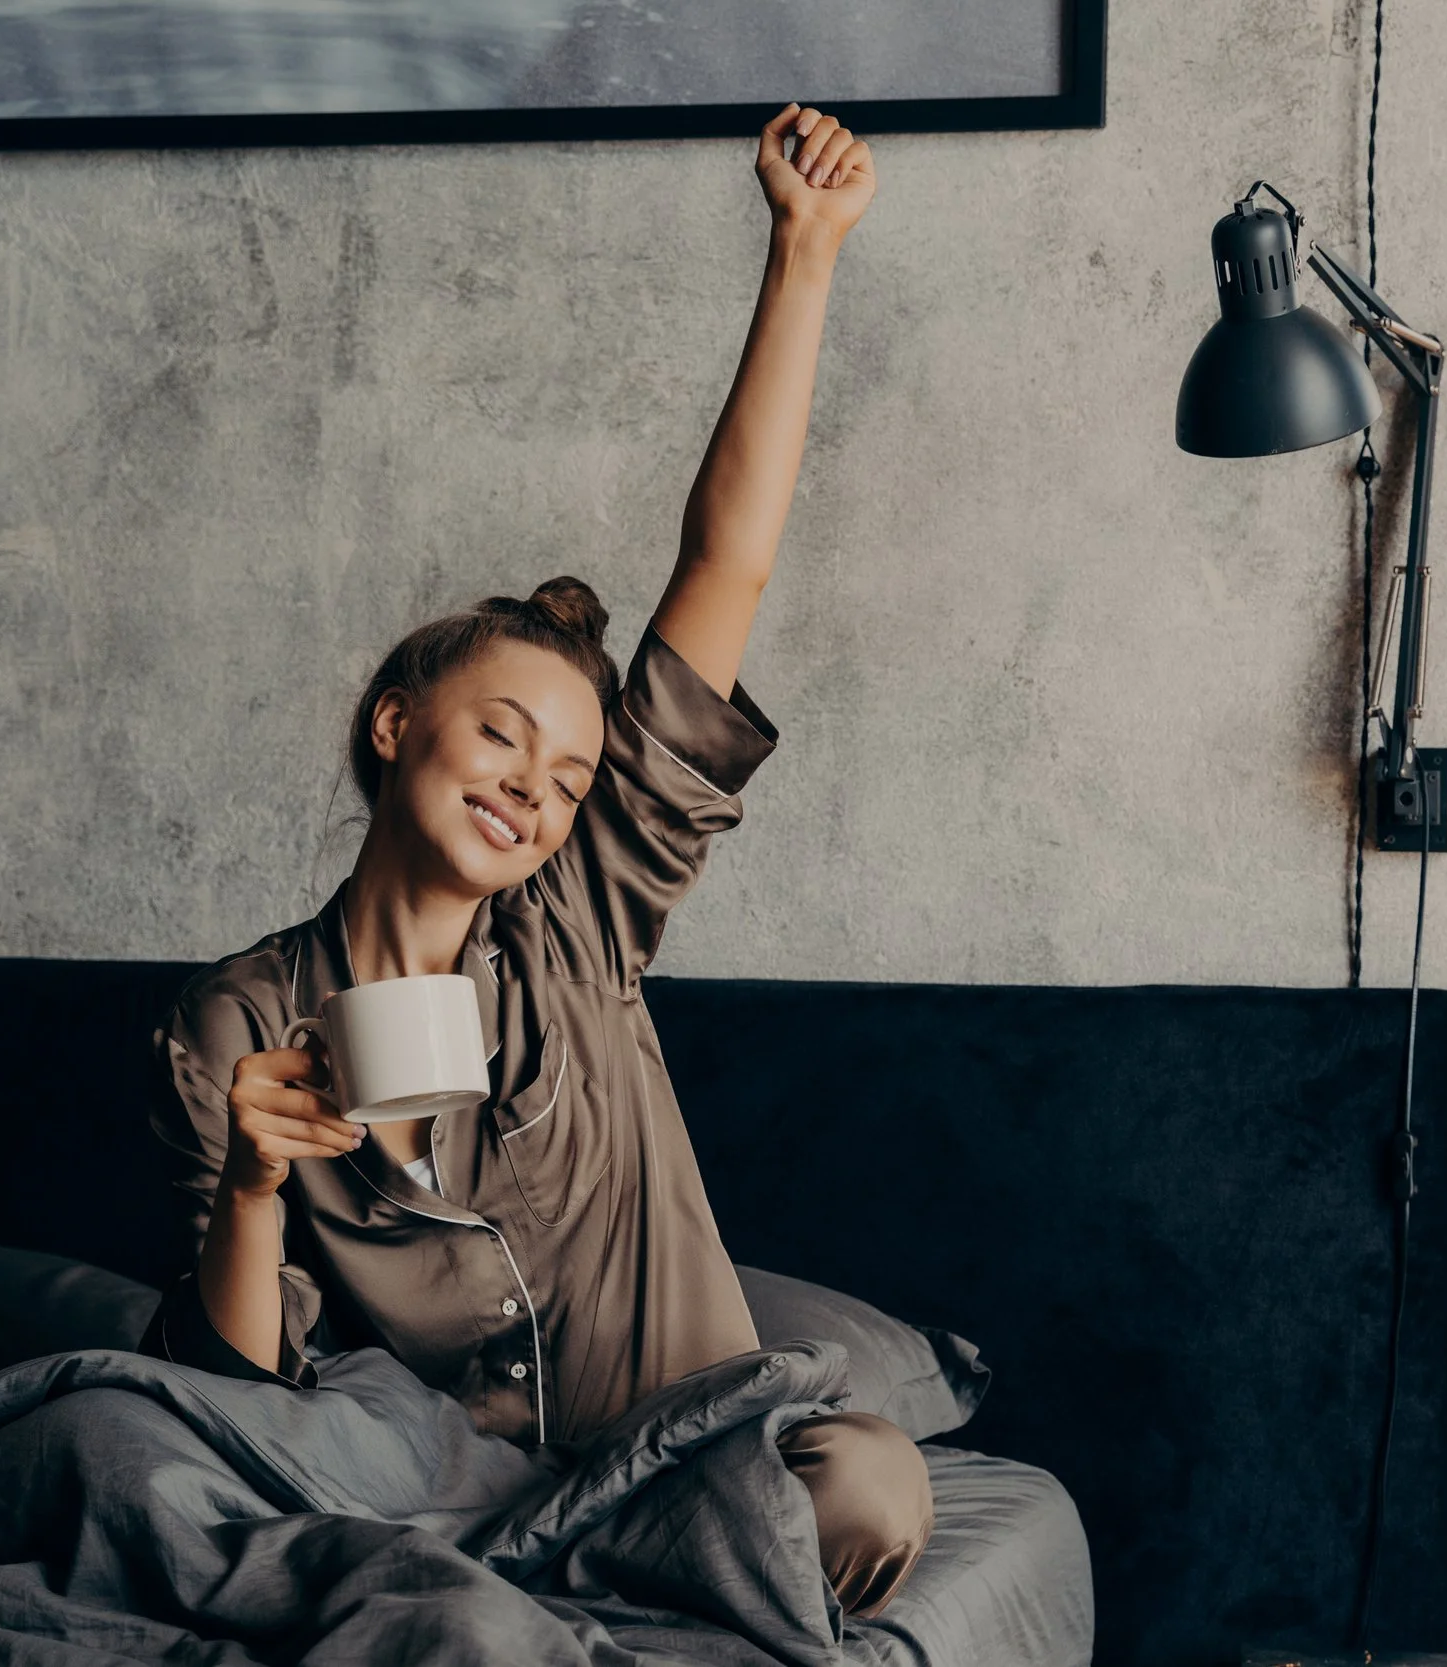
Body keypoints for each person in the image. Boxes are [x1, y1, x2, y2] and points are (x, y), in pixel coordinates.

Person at [138, 103, 933, 1618]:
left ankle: (533, 1585)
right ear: (394, 724)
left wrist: (805, 256)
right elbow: (235, 1391)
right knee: (159, 1472)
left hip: (681, 1459)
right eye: (501, 735)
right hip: (433, 1485)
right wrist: (252, 1182)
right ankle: (507, 1585)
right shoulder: (232, 1024)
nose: (534, 790)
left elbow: (723, 568)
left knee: (868, 1483)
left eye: (569, 776)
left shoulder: (583, 917)